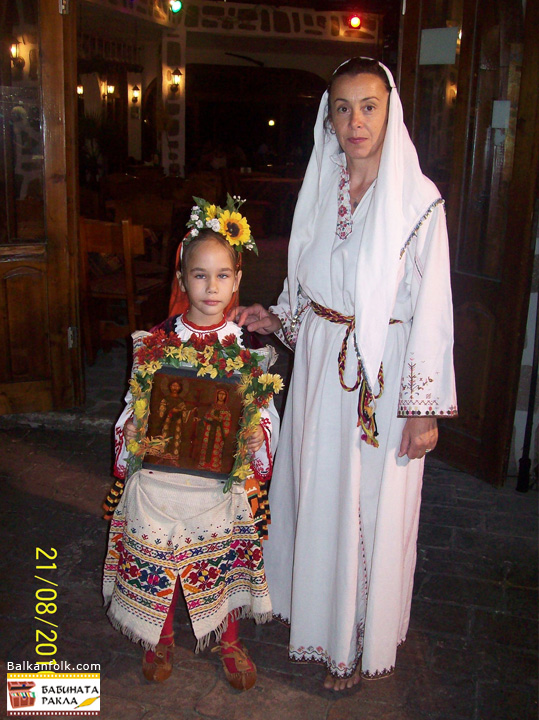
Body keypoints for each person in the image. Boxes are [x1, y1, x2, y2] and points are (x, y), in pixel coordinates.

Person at [232, 57, 457, 690]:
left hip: (378, 380)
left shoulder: (419, 202)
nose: (355, 120)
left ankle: (354, 642)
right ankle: (318, 616)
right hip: (318, 376)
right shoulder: (320, 189)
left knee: (368, 507)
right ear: (327, 118)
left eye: (368, 106)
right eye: (342, 107)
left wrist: (423, 407)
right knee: (316, 493)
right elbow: (307, 283)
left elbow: (433, 309)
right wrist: (278, 320)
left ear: (390, 112)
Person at [103, 198, 280, 692]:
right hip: (165, 472)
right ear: (182, 280)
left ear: (237, 281)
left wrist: (253, 435)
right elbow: (133, 408)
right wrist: (132, 436)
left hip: (219, 478)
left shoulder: (247, 352)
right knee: (155, 518)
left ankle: (228, 636)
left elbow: (265, 420)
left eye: (222, 276)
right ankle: (160, 632)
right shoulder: (155, 344)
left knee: (229, 527)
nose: (211, 288)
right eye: (199, 276)